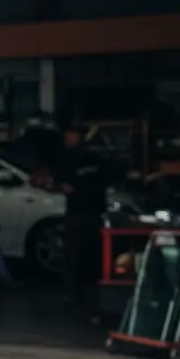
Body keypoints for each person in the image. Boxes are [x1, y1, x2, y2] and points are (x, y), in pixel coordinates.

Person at [51, 125, 107, 312]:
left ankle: (76, 294)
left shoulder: (74, 159)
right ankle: (85, 294)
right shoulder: (86, 158)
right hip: (89, 213)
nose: (67, 140)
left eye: (69, 136)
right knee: (86, 256)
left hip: (81, 214)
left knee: (76, 256)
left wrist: (65, 186)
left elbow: (63, 183)